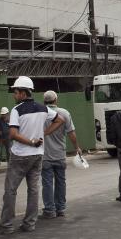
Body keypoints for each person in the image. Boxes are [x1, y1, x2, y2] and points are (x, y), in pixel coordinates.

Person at [0, 76, 64, 233]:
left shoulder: (16, 110)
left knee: (11, 190)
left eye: (15, 92)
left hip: (20, 155)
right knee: (33, 190)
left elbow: (12, 134)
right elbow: (59, 120)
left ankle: (6, 225)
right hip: (38, 155)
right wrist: (43, 134)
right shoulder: (43, 108)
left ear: (22, 93)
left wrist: (31, 142)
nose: (14, 95)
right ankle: (29, 223)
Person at [40, 90, 77, 219]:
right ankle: (60, 208)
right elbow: (71, 133)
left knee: (47, 183)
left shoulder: (40, 114)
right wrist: (77, 147)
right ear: (56, 100)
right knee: (61, 182)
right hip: (60, 154)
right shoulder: (64, 113)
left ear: (44, 100)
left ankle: (49, 210)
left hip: (45, 155)